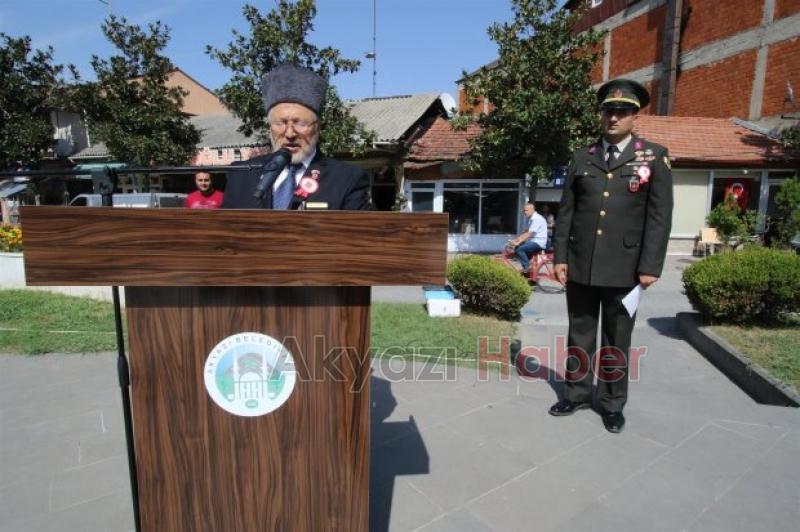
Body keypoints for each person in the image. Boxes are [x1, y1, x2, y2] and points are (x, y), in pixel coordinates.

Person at [549, 79, 674, 433]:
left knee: (617, 339)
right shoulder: (581, 157)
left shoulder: (653, 156)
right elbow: (567, 212)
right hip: (582, 264)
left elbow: (659, 217)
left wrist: (650, 266)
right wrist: (560, 257)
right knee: (580, 333)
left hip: (626, 268)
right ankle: (575, 393)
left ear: (635, 116)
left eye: (622, 111)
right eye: (608, 110)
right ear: (600, 114)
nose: (614, 117)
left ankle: (612, 403)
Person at [222, 64, 370, 210]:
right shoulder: (241, 175)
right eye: (280, 123)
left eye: (300, 123)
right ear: (269, 126)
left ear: (318, 127)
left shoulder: (346, 178)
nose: (290, 134)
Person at [509, 202, 548, 274]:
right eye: (524, 210)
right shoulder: (532, 218)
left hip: (538, 242)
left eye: (526, 210)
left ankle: (527, 268)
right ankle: (528, 272)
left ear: (532, 209)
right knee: (519, 250)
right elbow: (526, 232)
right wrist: (516, 240)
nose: (524, 212)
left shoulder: (536, 219)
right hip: (534, 241)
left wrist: (518, 242)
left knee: (519, 249)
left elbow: (529, 234)